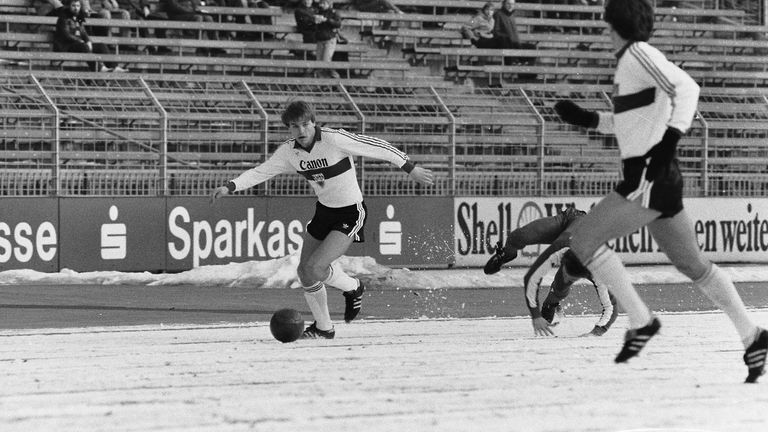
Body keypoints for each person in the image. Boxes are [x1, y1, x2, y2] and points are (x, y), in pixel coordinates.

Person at [553, 0, 767, 383]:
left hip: (648, 175)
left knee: (584, 239)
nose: (604, 29)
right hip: (659, 176)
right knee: (694, 266)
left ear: (615, 24)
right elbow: (632, 123)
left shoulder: (637, 53)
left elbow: (687, 88)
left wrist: (670, 139)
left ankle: (641, 321)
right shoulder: (630, 62)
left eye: (606, 23)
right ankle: (752, 335)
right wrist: (586, 119)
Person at [210, 101, 434, 339]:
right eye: (295, 126)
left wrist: (409, 167)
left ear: (314, 122)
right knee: (305, 272)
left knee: (316, 267)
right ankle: (324, 327)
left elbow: (376, 146)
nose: (302, 131)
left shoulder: (333, 139)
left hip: (351, 211)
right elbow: (262, 171)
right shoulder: (289, 152)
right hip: (324, 212)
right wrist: (230, 186)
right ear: (289, 129)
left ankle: (353, 287)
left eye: (306, 124)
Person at [484, 207, 618, 336]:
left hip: (582, 244)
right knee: (517, 237)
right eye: (566, 270)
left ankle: (551, 305)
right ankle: (506, 255)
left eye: (569, 276)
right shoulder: (558, 251)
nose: (565, 274)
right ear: (565, 258)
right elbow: (531, 278)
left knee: (556, 293)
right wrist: (535, 315)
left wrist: (597, 332)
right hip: (572, 220)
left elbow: (611, 308)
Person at [53, 0, 127, 72]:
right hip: (66, 46)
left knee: (101, 46)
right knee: (84, 46)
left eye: (78, 6)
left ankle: (114, 66)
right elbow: (66, 35)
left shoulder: (78, 17)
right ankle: (99, 68)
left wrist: (88, 41)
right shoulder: (63, 18)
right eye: (73, 6)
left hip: (78, 45)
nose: (76, 8)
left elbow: (83, 32)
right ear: (69, 6)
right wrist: (80, 41)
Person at [160, 0, 226, 56]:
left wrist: (198, 6)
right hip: (176, 15)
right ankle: (200, 45)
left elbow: (193, 3)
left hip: (189, 13)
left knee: (209, 18)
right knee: (198, 18)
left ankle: (215, 45)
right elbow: (173, 6)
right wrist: (190, 10)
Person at [314, 0, 342, 78]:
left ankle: (336, 78)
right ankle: (323, 84)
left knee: (326, 61)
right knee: (319, 63)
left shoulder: (333, 12)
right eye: (321, 3)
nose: (322, 5)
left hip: (329, 39)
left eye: (324, 3)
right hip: (320, 39)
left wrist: (326, 20)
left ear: (328, 4)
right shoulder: (318, 12)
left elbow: (338, 24)